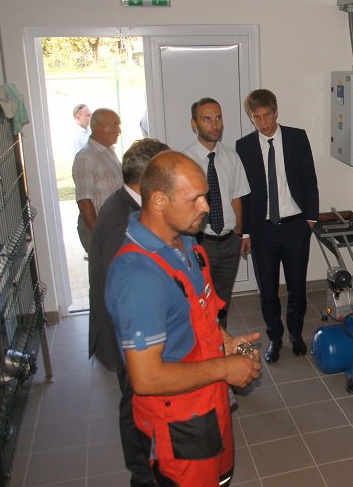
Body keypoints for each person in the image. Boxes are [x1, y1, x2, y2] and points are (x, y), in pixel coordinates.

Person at [105, 151, 261, 485]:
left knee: (220, 478)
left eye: (206, 196)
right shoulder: (138, 277)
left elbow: (201, 316)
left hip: (211, 401)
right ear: (159, 201)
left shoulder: (188, 245)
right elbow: (146, 378)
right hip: (179, 424)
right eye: (195, 199)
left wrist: (228, 343)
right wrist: (225, 368)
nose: (206, 206)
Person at [88, 138, 169, 487]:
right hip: (126, 334)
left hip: (131, 329)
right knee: (135, 400)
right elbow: (124, 293)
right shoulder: (122, 219)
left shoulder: (128, 204)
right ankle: (141, 473)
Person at [236, 89, 319, 364]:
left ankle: (295, 334)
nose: (263, 123)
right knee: (268, 290)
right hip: (262, 230)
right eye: (256, 117)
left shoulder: (297, 138)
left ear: (276, 111)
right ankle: (274, 337)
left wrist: (310, 220)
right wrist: (245, 231)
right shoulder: (244, 146)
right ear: (251, 117)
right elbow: (243, 194)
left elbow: (309, 179)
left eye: (266, 115)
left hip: (296, 226)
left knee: (297, 286)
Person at [182, 97, 250, 327]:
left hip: (229, 242)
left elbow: (236, 197)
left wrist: (239, 234)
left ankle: (222, 340)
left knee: (223, 301)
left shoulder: (231, 156)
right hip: (200, 243)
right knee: (200, 300)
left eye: (218, 118)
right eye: (207, 119)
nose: (215, 125)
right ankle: (203, 344)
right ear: (194, 124)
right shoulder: (185, 161)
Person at [72, 108, 124, 252]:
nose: (119, 131)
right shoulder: (86, 157)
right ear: (100, 127)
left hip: (114, 228)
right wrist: (99, 235)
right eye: (116, 125)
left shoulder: (108, 151)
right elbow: (84, 201)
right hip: (100, 230)